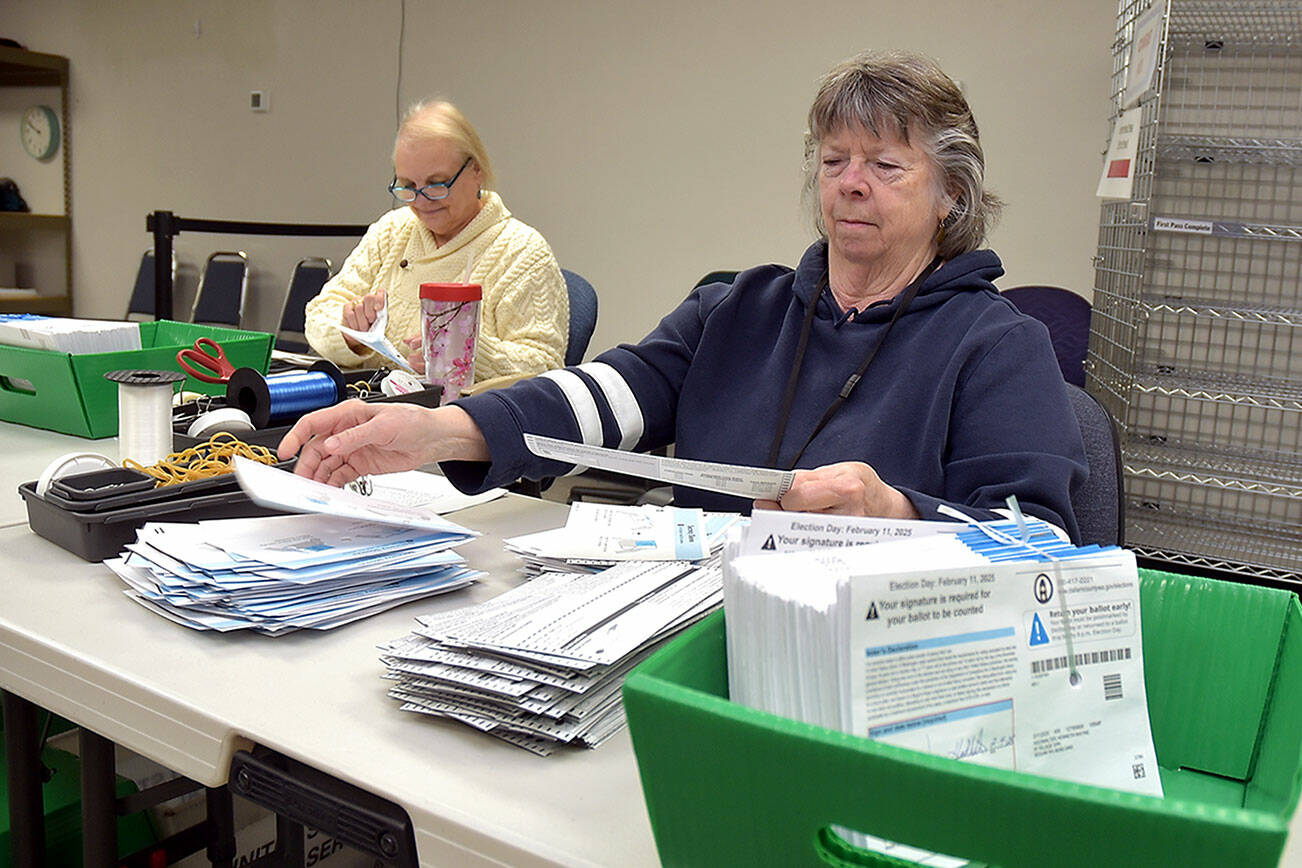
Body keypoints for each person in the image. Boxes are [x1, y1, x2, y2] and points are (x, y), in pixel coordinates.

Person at [281, 51, 1088, 540]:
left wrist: (898, 513)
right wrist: (436, 431)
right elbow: (601, 397)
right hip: (689, 637)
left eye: (885, 165)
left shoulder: (996, 345)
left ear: (952, 192)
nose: (851, 186)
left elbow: (1040, 542)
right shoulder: (739, 310)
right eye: (835, 159)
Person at [304, 100, 568, 382]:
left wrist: (467, 353)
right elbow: (319, 313)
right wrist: (350, 333)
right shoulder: (392, 231)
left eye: (437, 184)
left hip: (459, 420)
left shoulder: (522, 253)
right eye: (407, 186)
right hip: (371, 405)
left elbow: (547, 368)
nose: (421, 200)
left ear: (476, 171)